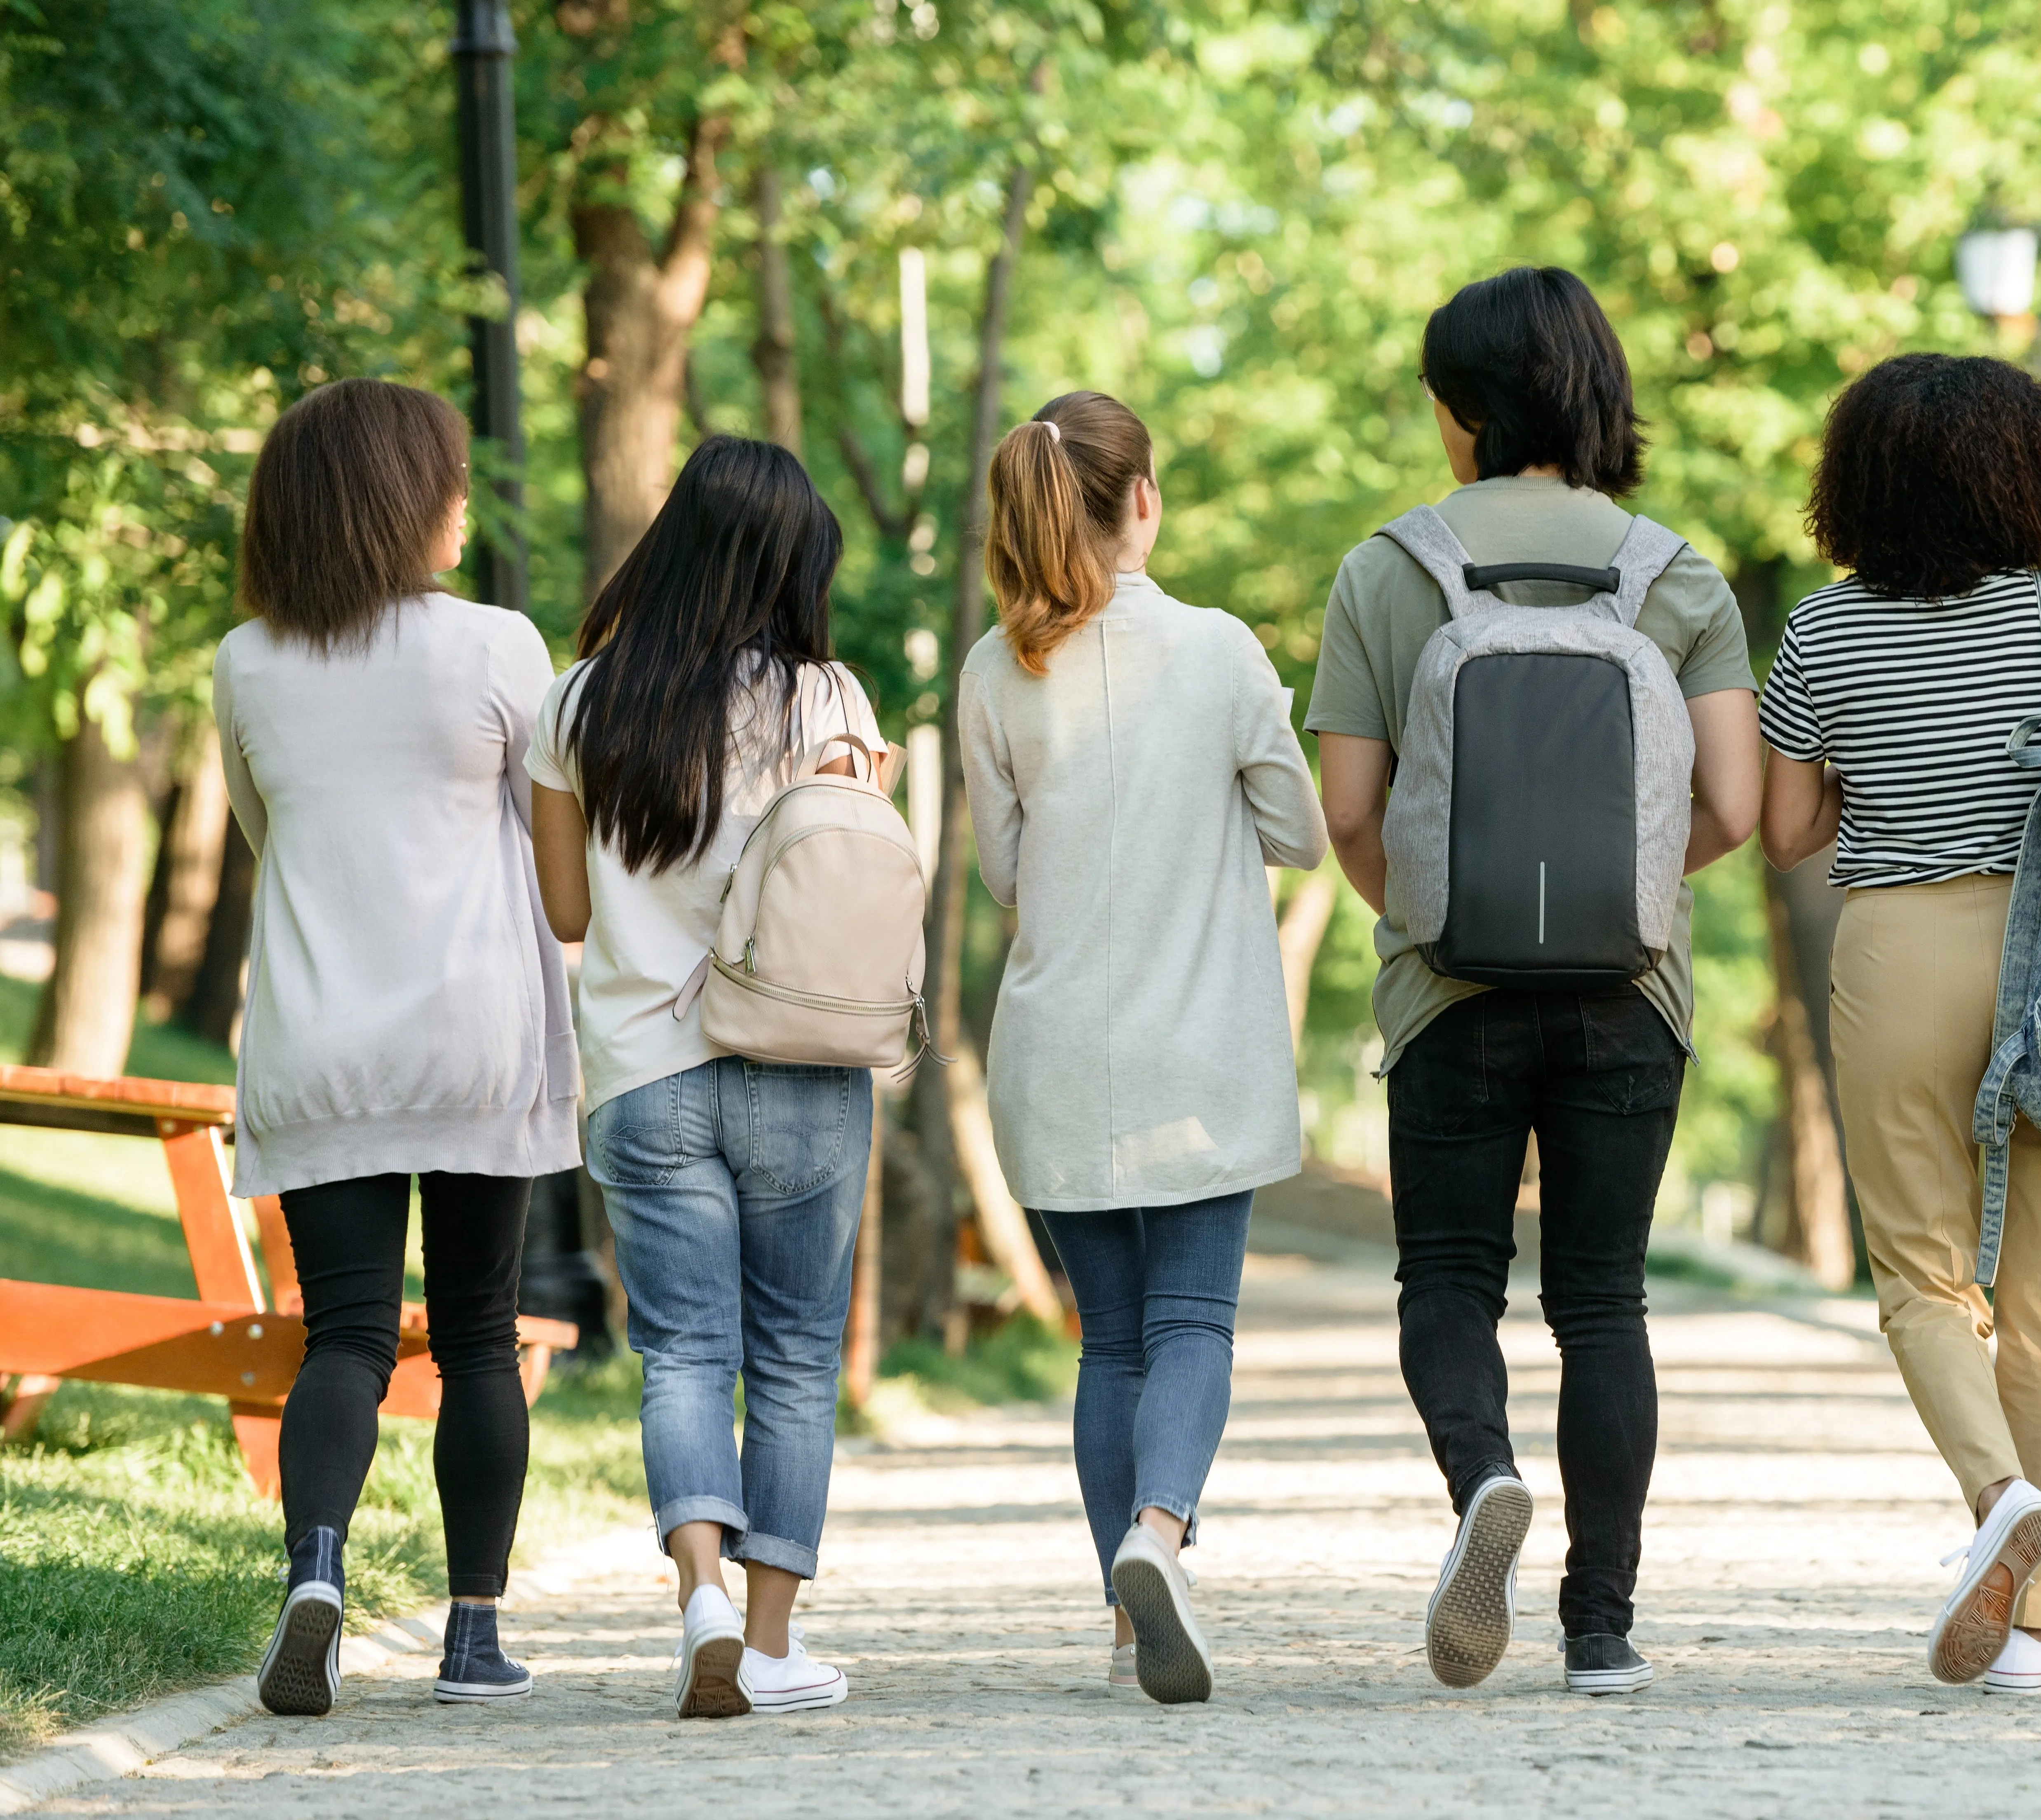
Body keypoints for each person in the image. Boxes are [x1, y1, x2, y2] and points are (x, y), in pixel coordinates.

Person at [1306, 267, 1761, 1697]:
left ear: (1464, 414)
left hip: (1449, 996)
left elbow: (1348, 811)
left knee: (1449, 1275)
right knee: (1604, 1300)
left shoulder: (1390, 567)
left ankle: (1484, 1482)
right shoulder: (1676, 573)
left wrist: (1444, 914)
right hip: (1633, 995)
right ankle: (1603, 1631)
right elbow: (1736, 806)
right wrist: (1624, 895)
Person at [1757, 353, 2041, 1696]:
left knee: (1925, 1273)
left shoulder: (1822, 630)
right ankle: (2030, 1628)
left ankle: (1997, 1498)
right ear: (2024, 466)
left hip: (1901, 946)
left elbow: (1789, 831)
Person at [216, 377, 580, 1716]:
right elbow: (556, 844)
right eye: (452, 483)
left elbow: (269, 834)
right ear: (400, 498)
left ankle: (316, 1568)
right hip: (475, 1038)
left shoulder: (246, 660)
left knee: (347, 1335)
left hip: (321, 1044)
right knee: (479, 1334)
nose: (466, 507)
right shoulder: (499, 645)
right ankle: (472, 1637)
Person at [957, 392, 1327, 1705]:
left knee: (1109, 1342)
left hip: (1059, 1050)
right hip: (1198, 1054)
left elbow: (1007, 872)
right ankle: (1159, 1535)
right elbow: (1300, 830)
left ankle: (1125, 1623)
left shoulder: (997, 673)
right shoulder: (1222, 651)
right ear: (1143, 502)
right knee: (1192, 1324)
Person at [529, 436, 881, 1719]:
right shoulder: (828, 701)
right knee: (792, 1356)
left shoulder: (578, 704)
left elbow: (568, 910)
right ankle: (775, 1648)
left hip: (644, 1070)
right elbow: (859, 885)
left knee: (681, 1352)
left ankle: (702, 1602)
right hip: (802, 1064)